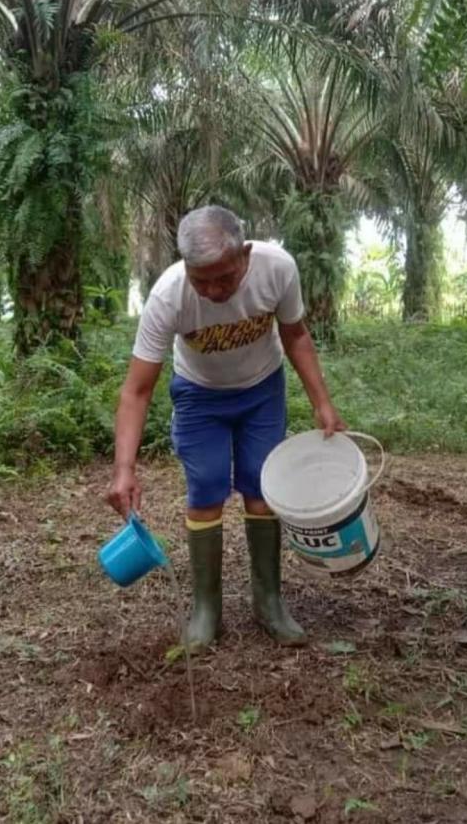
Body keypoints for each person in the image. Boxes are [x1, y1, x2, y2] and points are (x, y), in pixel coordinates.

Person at [107, 205, 346, 648]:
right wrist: (124, 467)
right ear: (185, 268)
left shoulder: (278, 268)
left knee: (261, 489)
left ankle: (269, 602)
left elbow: (295, 335)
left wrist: (322, 403)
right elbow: (136, 391)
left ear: (247, 255)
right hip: (199, 396)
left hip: (261, 390)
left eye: (225, 277)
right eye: (203, 280)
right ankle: (206, 611)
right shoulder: (168, 296)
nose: (214, 290)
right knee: (206, 489)